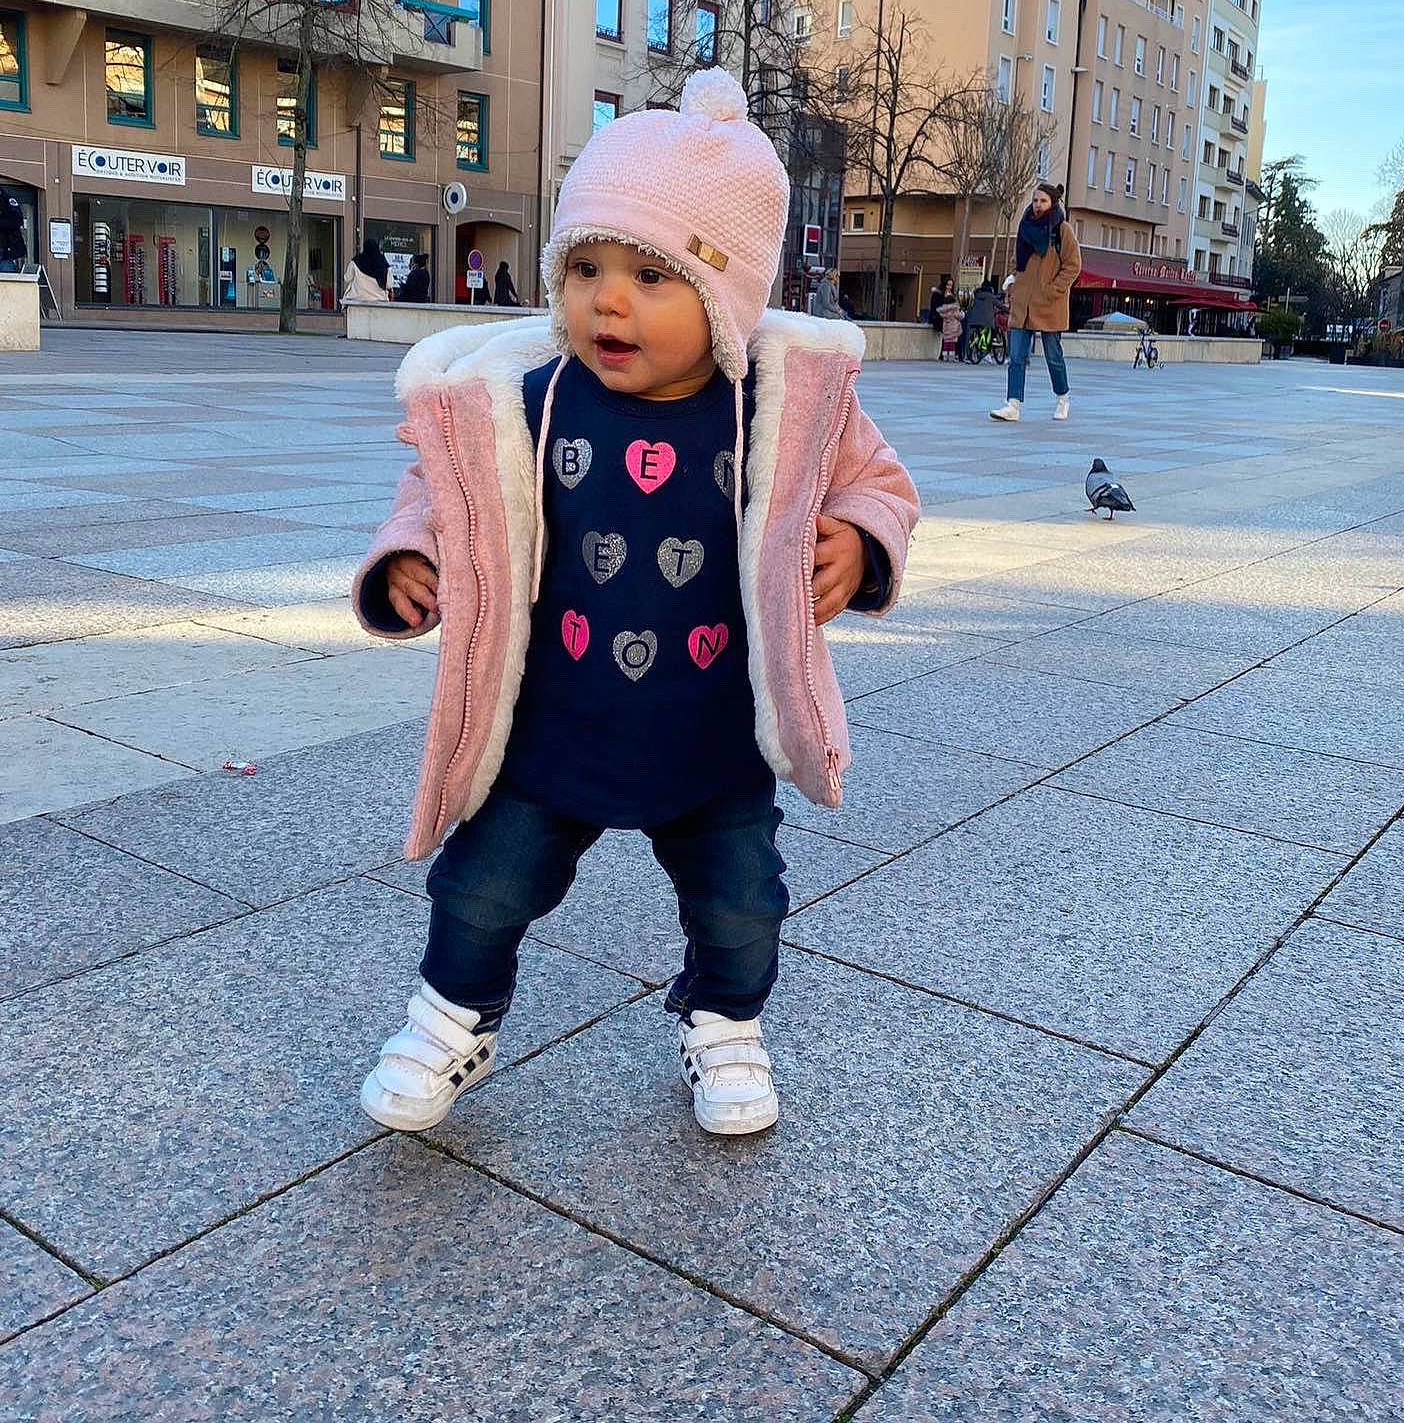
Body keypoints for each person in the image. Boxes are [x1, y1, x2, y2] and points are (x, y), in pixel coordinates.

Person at [352, 67, 919, 1140]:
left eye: (650, 277)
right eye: (586, 267)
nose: (605, 301)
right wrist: (407, 560)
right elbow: (441, 491)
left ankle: (724, 1020)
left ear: (725, 297)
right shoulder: (524, 397)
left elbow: (877, 484)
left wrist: (859, 540)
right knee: (482, 890)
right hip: (547, 724)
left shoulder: (785, 405)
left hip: (715, 734)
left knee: (743, 901)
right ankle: (449, 1017)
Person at [989, 182, 1081, 423]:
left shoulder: (1062, 230)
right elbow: (1017, 257)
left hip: (1049, 304)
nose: (1038, 205)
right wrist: (1013, 278)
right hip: (1023, 303)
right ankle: (1013, 404)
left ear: (1053, 203)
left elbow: (1073, 265)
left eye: (1043, 201)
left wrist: (1053, 290)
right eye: (1036, 200)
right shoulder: (1025, 226)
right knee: (1016, 356)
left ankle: (1063, 397)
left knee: (1053, 356)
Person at [342, 239, 390, 305]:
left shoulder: (356, 261)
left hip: (357, 299)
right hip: (379, 300)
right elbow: (389, 284)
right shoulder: (382, 262)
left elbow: (347, 278)